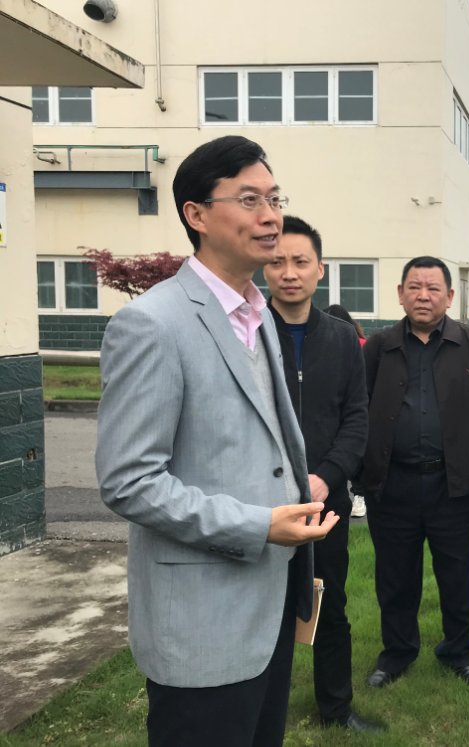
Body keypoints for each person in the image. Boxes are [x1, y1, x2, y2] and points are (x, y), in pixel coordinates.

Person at [95, 136, 337, 747]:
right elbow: (129, 481)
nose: (271, 216)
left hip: (269, 605)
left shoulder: (257, 313)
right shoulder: (152, 323)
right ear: (196, 215)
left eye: (275, 199)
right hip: (201, 622)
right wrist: (259, 526)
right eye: (249, 199)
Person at [361, 256, 469, 688]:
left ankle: (459, 651)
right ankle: (397, 652)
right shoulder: (379, 346)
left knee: (459, 575)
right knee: (395, 576)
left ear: (450, 295)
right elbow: (360, 410)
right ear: (400, 293)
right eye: (414, 287)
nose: (423, 296)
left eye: (433, 288)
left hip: (454, 485)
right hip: (393, 483)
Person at [262, 216, 377, 733]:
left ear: (320, 270)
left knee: (330, 604)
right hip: (261, 503)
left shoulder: (342, 338)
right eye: (277, 261)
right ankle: (260, 711)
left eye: (300, 262)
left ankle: (336, 708)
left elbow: (357, 419)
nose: (289, 273)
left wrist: (327, 477)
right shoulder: (247, 332)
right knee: (261, 610)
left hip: (325, 504)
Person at [323, 305, 370, 518]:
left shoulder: (359, 345)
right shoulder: (322, 344)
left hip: (353, 407)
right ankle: (357, 494)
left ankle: (359, 494)